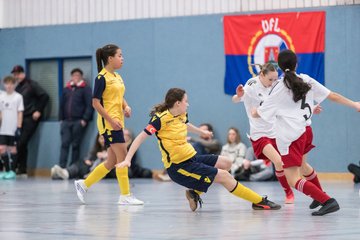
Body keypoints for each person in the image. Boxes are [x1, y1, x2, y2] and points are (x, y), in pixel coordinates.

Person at [116, 88, 281, 212]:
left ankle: (195, 193)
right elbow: (140, 137)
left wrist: (201, 132)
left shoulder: (181, 114)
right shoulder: (160, 120)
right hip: (178, 167)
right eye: (186, 101)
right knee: (224, 176)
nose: (188, 103)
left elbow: (185, 124)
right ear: (178, 103)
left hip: (192, 158)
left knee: (227, 163)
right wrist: (128, 159)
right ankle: (259, 201)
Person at [252, 49, 360, 216]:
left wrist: (254, 111)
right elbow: (333, 96)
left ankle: (327, 200)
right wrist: (354, 104)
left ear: (279, 67)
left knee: (293, 179)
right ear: (296, 64)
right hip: (305, 131)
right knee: (303, 166)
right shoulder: (306, 80)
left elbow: (261, 112)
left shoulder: (279, 88)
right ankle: (319, 196)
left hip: (290, 137)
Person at [74, 44, 143, 205]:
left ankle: (83, 184)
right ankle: (125, 196)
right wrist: (111, 120)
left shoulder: (117, 77)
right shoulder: (101, 78)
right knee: (123, 158)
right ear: (110, 58)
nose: (122, 58)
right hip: (109, 124)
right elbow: (95, 103)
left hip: (118, 122)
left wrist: (126, 106)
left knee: (111, 162)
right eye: (119, 55)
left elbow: (119, 97)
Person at [232, 62, 295, 204]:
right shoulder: (252, 84)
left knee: (290, 163)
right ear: (261, 75)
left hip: (276, 131)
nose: (273, 82)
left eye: (275, 79)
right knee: (278, 161)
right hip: (260, 134)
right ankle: (288, 193)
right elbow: (235, 99)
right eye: (270, 79)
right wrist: (238, 95)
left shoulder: (276, 86)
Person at [12, 65, 49, 175]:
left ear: (23, 73)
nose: (16, 76)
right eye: (14, 74)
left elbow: (44, 96)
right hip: (21, 118)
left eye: (17, 74)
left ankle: (15, 167)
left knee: (22, 142)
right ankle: (22, 169)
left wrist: (38, 110)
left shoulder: (32, 85)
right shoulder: (18, 87)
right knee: (21, 143)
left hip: (30, 118)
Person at [58, 68, 93, 168]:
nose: (76, 77)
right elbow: (61, 104)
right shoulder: (67, 89)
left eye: (78, 75)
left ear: (81, 77)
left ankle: (72, 167)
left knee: (75, 145)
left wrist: (85, 119)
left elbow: (89, 105)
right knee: (64, 143)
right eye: (74, 75)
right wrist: (61, 119)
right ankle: (62, 166)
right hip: (66, 121)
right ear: (71, 77)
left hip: (78, 121)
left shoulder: (86, 89)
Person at [51, 134, 115, 180]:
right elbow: (89, 157)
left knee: (82, 167)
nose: (102, 141)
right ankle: (63, 173)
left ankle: (64, 173)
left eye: (104, 138)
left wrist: (105, 155)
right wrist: (88, 160)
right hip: (91, 166)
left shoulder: (111, 148)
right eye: (101, 138)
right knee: (80, 163)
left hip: (103, 170)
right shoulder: (96, 148)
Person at [0, 76, 24, 179]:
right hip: (3, 128)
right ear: (4, 84)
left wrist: (19, 127)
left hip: (13, 128)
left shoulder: (18, 97)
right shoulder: (1, 96)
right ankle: (6, 170)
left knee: (13, 149)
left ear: (15, 85)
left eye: (11, 83)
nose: (9, 86)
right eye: (7, 83)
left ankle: (13, 171)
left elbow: (20, 113)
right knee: (2, 149)